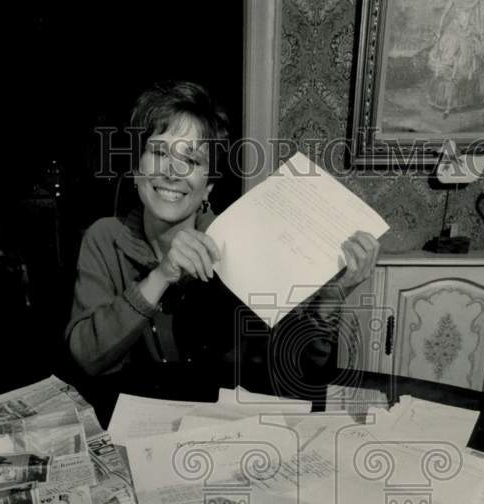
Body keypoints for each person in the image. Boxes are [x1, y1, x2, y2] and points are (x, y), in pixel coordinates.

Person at [65, 80, 379, 417]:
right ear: (137, 168)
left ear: (208, 186)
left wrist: (332, 297)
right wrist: (160, 276)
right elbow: (87, 357)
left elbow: (293, 367)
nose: (172, 172)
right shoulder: (103, 238)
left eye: (192, 160)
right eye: (158, 153)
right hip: (130, 426)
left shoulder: (239, 244)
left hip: (221, 429)